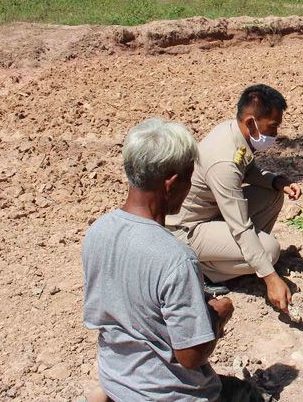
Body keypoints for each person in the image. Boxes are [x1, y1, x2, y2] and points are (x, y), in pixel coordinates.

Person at [82, 117, 249, 401]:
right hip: (166, 394)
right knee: (244, 393)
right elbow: (191, 356)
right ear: (171, 184)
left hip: (117, 380)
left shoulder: (98, 231)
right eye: (189, 177)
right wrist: (217, 316)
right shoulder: (175, 258)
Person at [167, 84, 301, 313]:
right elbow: (240, 227)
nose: (275, 134)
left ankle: (240, 260)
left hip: (211, 213)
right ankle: (200, 270)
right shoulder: (223, 162)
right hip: (186, 231)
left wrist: (276, 181)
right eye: (272, 127)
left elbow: (248, 171)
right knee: (270, 250)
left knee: (272, 195)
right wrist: (270, 277)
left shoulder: (233, 131)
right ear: (251, 122)